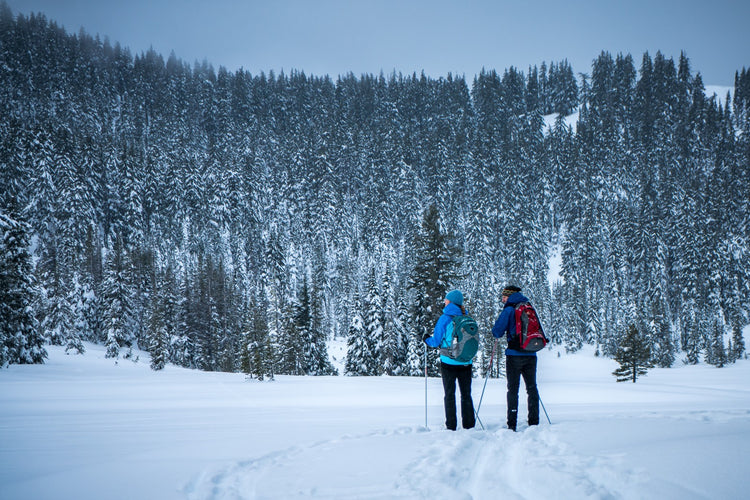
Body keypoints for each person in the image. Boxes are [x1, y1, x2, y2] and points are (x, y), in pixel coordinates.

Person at [492, 285, 543, 431]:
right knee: (532, 388)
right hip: (531, 353)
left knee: (513, 390)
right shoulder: (529, 307)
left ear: (509, 296)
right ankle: (534, 422)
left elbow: (497, 332)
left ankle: (512, 423)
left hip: (514, 355)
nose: (502, 299)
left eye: (503, 296)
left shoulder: (509, 310)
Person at [423, 290, 476, 431]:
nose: (444, 301)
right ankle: (469, 425)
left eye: (446, 299)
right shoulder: (466, 317)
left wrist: (426, 339)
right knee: (466, 394)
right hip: (466, 361)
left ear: (451, 302)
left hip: (448, 362)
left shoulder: (445, 318)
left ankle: (451, 426)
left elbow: (435, 342)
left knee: (449, 394)